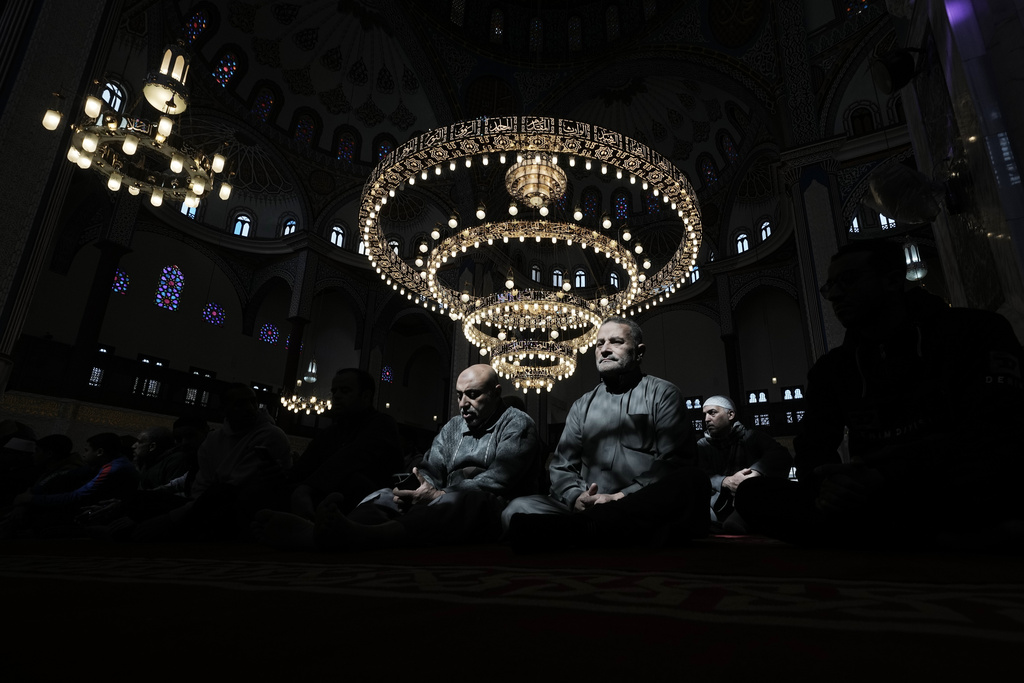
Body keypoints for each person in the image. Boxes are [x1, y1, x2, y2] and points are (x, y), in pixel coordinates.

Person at [735, 240, 1024, 547]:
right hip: (868, 494)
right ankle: (949, 536)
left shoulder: (973, 332)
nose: (835, 295)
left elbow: (994, 432)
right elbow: (813, 446)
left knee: (995, 479)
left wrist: (886, 476)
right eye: (830, 286)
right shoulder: (835, 368)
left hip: (943, 482)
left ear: (892, 280)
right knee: (752, 495)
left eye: (848, 281)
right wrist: (829, 485)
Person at [253, 364, 540, 550]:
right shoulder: (453, 427)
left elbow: (498, 480)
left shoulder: (517, 423)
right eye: (459, 395)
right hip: (439, 497)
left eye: (473, 395)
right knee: (386, 494)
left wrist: (438, 495)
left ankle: (362, 537)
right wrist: (418, 488)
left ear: (496, 393)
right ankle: (333, 530)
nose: (463, 404)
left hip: (488, 506)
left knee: (462, 499)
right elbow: (430, 467)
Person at [502, 316, 703, 545]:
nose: (605, 350)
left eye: (616, 342)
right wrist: (576, 497)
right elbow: (561, 466)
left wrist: (620, 497)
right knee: (517, 508)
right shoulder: (582, 405)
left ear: (639, 352)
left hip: (639, 503)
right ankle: (593, 529)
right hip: (586, 508)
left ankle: (586, 530)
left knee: (691, 481)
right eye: (599, 344)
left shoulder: (663, 395)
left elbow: (673, 462)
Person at [287, 368, 404, 519]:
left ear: (366, 396)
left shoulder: (382, 424)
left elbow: (351, 458)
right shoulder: (331, 432)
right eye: (334, 391)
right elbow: (305, 467)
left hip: (372, 508)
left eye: (345, 391)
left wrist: (307, 488)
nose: (336, 396)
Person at [698, 395, 791, 534]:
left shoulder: (752, 437)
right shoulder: (701, 446)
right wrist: (725, 482)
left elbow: (780, 455)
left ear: (730, 415)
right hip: (716, 507)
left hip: (750, 503)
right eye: (705, 414)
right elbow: (699, 474)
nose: (706, 419)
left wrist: (755, 473)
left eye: (712, 413)